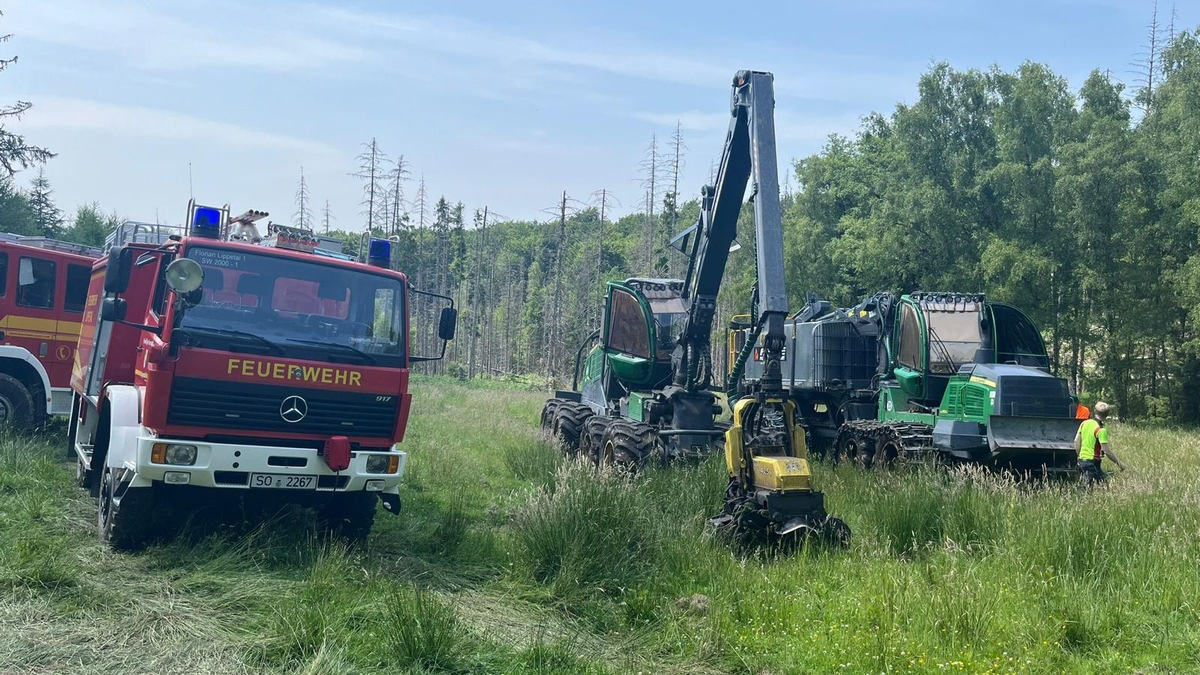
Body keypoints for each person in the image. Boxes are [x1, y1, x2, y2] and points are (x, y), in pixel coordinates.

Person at [1075, 401, 1126, 484]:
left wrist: (1078, 456)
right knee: (1092, 487)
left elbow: (1076, 442)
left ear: (1094, 411)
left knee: (1096, 484)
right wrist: (1120, 464)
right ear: (1107, 414)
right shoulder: (1101, 430)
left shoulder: (1084, 423)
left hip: (1082, 461)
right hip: (1093, 463)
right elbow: (1106, 451)